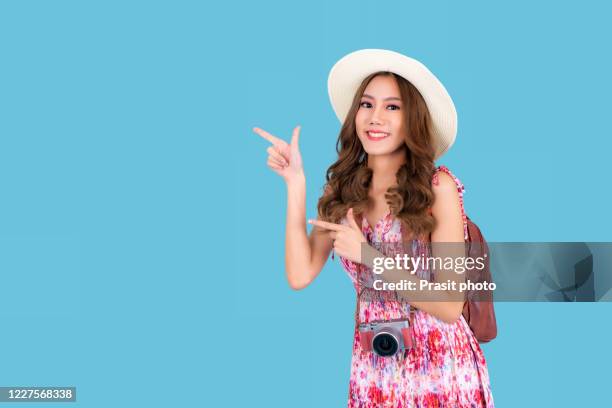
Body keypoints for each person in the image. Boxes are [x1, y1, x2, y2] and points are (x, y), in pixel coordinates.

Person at [253, 49, 494, 407]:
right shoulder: (344, 191)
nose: (375, 118)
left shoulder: (437, 188)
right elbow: (300, 274)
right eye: (366, 105)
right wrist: (295, 183)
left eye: (392, 107)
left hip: (440, 368)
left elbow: (448, 304)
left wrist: (368, 256)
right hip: (376, 368)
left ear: (412, 120)